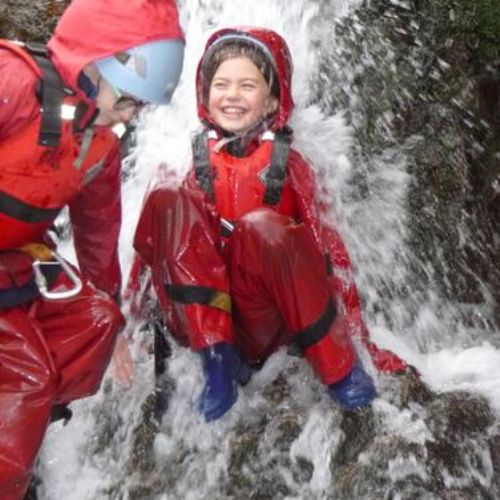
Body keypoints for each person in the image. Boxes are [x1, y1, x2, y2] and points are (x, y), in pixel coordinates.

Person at [131, 26, 409, 423]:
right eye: (221, 84)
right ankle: (218, 363)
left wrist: (356, 342)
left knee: (265, 226)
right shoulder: (182, 164)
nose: (231, 95)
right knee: (167, 197)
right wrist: (133, 325)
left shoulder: (292, 168)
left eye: (247, 85)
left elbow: (328, 256)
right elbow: (149, 258)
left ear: (273, 100)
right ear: (204, 94)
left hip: (260, 319)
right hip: (200, 323)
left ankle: (338, 370)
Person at [0, 0, 184, 498]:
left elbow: (99, 229)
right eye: (128, 99)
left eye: (139, 106)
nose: (130, 114)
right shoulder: (13, 83)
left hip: (15, 261)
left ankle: (23, 438)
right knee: (27, 380)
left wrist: (114, 312)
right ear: (94, 65)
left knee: (97, 323)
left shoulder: (99, 143)